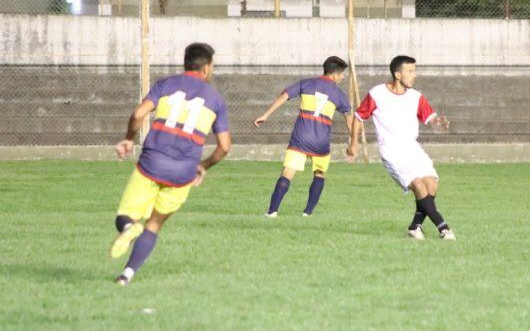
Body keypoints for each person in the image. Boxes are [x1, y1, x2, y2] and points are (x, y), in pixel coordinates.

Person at [110, 43, 231, 285]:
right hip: (183, 173)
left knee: (124, 218)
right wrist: (203, 166)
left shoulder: (165, 85)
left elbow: (138, 115)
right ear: (206, 68)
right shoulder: (216, 100)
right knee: (154, 224)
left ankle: (128, 228)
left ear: (186, 63)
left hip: (151, 163)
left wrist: (128, 139)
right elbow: (224, 147)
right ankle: (127, 275)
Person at [347, 55, 455, 240]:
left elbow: (431, 120)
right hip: (391, 150)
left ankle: (415, 228)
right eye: (410, 71)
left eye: (415, 71)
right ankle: (444, 228)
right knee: (419, 187)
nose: (415, 75)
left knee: (431, 185)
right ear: (398, 74)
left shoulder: (416, 97)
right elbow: (358, 117)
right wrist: (354, 144)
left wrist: (440, 123)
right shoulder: (377, 93)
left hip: (412, 148)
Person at [254, 56, 352, 217]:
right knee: (320, 174)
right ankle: (307, 213)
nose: (342, 77)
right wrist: (352, 140)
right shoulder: (339, 94)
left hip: (301, 138)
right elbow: (349, 117)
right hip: (321, 142)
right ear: (334, 75)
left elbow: (284, 95)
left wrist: (266, 114)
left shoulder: (306, 83)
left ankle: (272, 211)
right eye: (341, 74)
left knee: (287, 173)